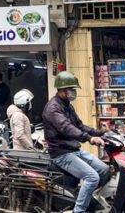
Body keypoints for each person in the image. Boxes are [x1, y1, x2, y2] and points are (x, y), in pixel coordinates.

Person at [43, 72, 108, 213]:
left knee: (104, 170)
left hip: (74, 150)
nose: (74, 92)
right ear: (62, 90)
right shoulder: (53, 108)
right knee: (92, 177)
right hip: (61, 153)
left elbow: (79, 125)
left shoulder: (67, 105)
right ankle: (79, 210)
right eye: (71, 89)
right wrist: (89, 138)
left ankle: (84, 198)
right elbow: (67, 128)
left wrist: (100, 133)